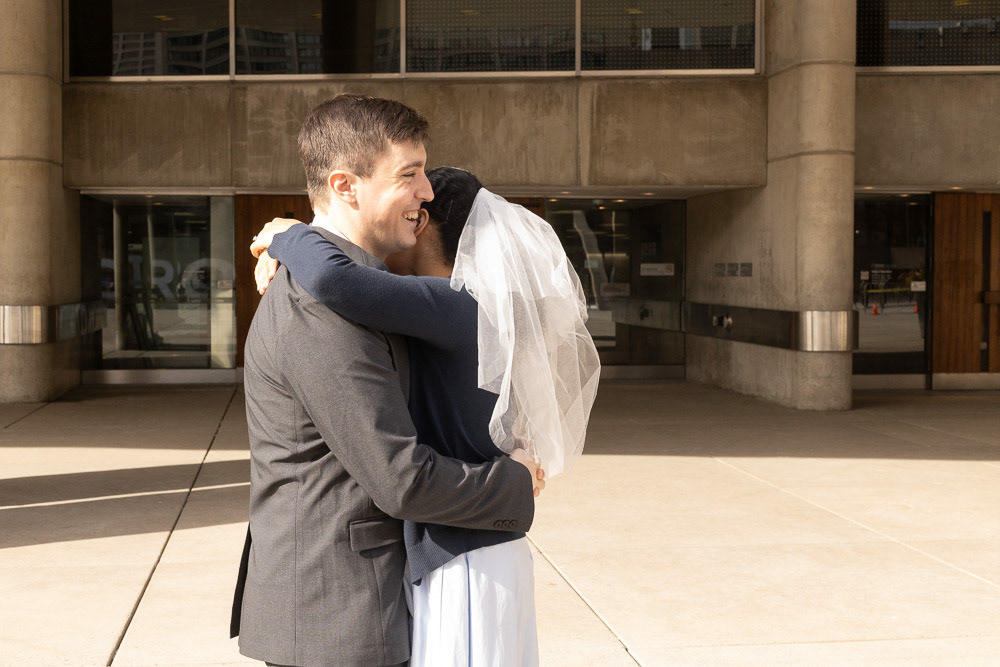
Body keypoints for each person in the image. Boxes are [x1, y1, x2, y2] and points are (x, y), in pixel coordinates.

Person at [233, 95, 543, 667]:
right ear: (345, 186)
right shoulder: (320, 300)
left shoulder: (376, 291)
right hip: (334, 619)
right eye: (409, 174)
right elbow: (401, 479)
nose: (426, 191)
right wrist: (515, 484)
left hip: (364, 608)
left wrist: (289, 234)